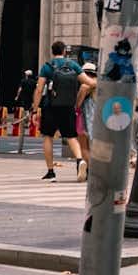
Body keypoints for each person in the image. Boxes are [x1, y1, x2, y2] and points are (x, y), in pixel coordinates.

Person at [34, 41, 93, 181]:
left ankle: (50, 172)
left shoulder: (47, 67)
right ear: (64, 51)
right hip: (67, 106)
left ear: (52, 51)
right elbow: (88, 82)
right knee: (71, 137)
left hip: (50, 106)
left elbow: (39, 89)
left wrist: (35, 109)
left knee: (48, 136)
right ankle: (80, 161)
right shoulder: (72, 65)